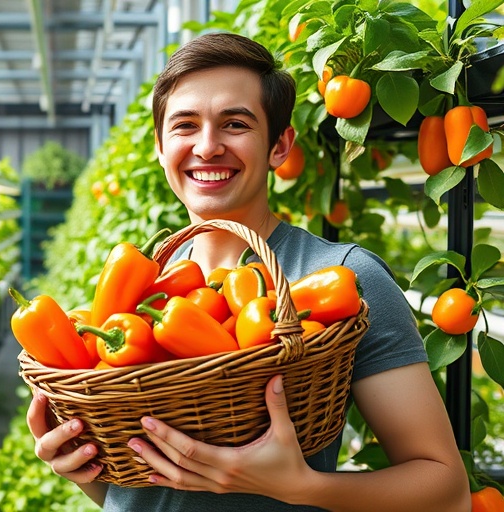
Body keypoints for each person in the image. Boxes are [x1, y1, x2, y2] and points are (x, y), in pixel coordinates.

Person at [25, 32, 470, 511]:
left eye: (235, 124)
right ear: (160, 146)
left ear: (279, 146)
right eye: (185, 126)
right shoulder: (140, 291)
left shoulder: (344, 276)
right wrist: (85, 469)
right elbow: (144, 493)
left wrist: (301, 487)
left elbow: (448, 494)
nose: (208, 146)